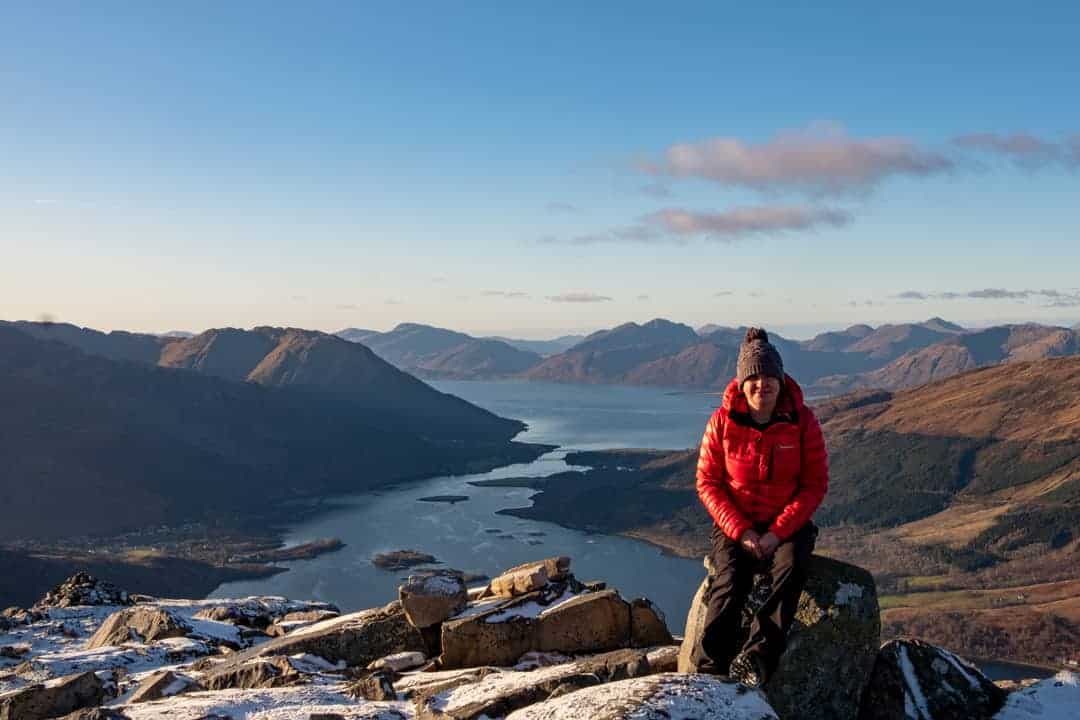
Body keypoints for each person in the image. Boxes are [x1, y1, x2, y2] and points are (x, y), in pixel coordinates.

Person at [693, 327, 829, 687]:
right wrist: (742, 531)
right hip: (736, 522)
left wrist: (776, 533)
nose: (761, 385)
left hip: (786, 524)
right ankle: (709, 668)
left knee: (790, 568)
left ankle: (758, 659)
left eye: (769, 376)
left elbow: (814, 485)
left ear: (781, 381)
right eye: (753, 377)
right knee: (731, 580)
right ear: (741, 382)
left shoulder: (802, 422)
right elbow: (708, 483)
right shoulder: (721, 422)